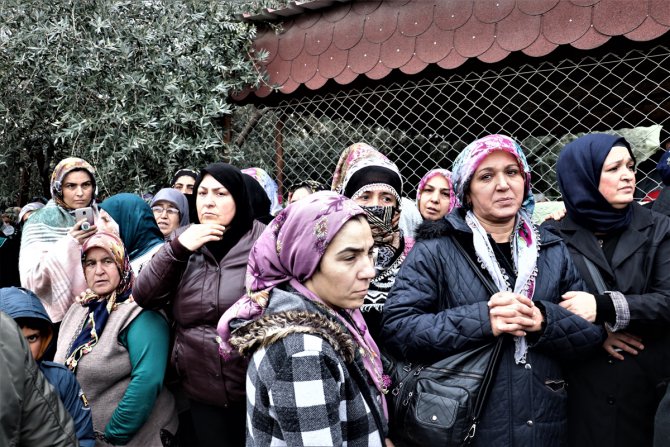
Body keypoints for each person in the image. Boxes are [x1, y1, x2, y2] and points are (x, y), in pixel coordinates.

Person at [381, 134, 604, 446]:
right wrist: (484, 320)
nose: (503, 185)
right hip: (465, 422)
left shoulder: (552, 249)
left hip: (543, 421)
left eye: (512, 172)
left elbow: (591, 335)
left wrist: (544, 320)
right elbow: (398, 328)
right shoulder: (436, 249)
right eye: (486, 176)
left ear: (525, 181)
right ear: (467, 191)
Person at [218, 191, 389, 446]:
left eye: (370, 252)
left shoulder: (326, 311)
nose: (369, 271)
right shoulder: (303, 353)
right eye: (349, 257)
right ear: (305, 259)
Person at [546, 133, 670, 447]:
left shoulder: (659, 228)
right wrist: (596, 334)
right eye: (613, 168)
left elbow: (667, 300)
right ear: (583, 177)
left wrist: (604, 308)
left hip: (647, 389)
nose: (628, 175)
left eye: (630, 166)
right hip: (579, 389)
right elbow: (543, 304)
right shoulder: (551, 235)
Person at [133, 163, 266, 447]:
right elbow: (145, 295)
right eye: (202, 193)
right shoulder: (182, 240)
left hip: (256, 387)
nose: (208, 201)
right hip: (200, 388)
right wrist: (178, 249)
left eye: (220, 193)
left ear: (238, 198)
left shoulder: (264, 241)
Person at [54, 232, 177, 446]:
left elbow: (147, 381)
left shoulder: (140, 313)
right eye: (91, 263)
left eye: (107, 261)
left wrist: (113, 434)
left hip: (132, 439)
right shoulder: (80, 308)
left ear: (122, 263)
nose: (99, 271)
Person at [19, 157, 117, 325]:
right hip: (57, 321)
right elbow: (31, 279)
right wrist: (70, 243)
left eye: (86, 185)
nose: (80, 193)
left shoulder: (104, 219)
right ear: (59, 189)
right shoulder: (39, 222)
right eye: (71, 186)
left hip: (103, 310)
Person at [331, 142, 414, 340]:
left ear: (398, 207)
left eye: (386, 199)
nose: (376, 206)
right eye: (365, 197)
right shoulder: (327, 252)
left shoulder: (415, 253)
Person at [0, 286, 95, 447]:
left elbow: (83, 437)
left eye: (32, 338)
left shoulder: (61, 379)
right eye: (15, 340)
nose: (23, 349)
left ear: (44, 338)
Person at [99, 193, 164, 274]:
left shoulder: (161, 260)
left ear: (129, 222)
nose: (99, 228)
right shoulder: (128, 258)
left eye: (106, 220)